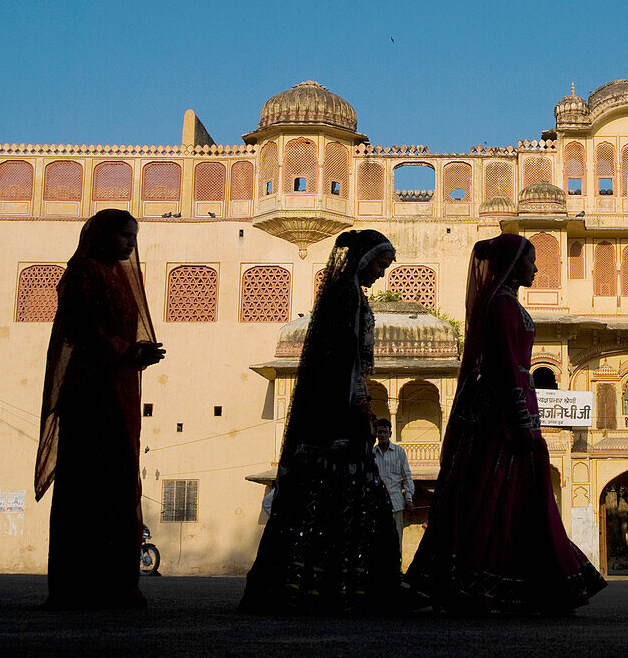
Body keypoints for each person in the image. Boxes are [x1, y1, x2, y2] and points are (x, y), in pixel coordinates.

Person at [406, 233, 606, 613]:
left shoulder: (506, 303)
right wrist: (521, 420)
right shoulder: (501, 305)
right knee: (494, 496)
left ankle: (504, 581)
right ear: (515, 265)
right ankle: (478, 582)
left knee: (508, 498)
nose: (536, 267)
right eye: (531, 260)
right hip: (502, 414)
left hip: (513, 406)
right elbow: (504, 367)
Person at [239, 230, 401, 614]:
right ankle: (338, 585)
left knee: (337, 496)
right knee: (339, 494)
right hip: (339, 414)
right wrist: (355, 407)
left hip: (344, 408)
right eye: (380, 264)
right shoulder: (345, 296)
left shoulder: (349, 294)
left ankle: (323, 582)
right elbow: (340, 361)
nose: (381, 273)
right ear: (363, 259)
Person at [35, 209, 165, 609]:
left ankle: (114, 582)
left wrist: (138, 354)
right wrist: (127, 351)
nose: (130, 243)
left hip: (120, 385)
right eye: (125, 235)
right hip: (91, 388)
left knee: (119, 479)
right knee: (90, 482)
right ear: (105, 235)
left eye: (134, 237)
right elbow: (83, 330)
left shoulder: (122, 278)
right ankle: (80, 585)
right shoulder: (84, 273)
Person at [372, 418, 414, 551]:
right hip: (376, 505)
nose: (382, 435)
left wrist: (408, 498)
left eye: (385, 432)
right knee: (378, 542)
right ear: (376, 434)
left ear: (390, 433)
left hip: (396, 504)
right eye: (379, 432)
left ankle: (397, 571)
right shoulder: (372, 454)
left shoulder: (399, 452)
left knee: (396, 542)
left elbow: (407, 477)